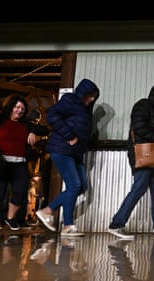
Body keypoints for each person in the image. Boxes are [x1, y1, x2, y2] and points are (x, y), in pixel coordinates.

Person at [108, 82, 154, 240]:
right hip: (142, 155)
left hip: (152, 157)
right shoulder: (143, 106)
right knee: (139, 187)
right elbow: (139, 127)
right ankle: (117, 224)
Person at [35, 78, 100, 237]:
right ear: (82, 93)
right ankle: (68, 225)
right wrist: (69, 135)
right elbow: (52, 116)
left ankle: (48, 210)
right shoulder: (70, 100)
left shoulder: (86, 110)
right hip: (62, 149)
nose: (91, 99)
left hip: (75, 153)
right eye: (89, 95)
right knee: (74, 185)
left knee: (82, 186)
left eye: (94, 97)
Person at [0, 94, 44, 237]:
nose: (20, 110)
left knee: (20, 192)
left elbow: (43, 129)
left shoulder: (26, 123)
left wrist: (32, 131)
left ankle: (10, 218)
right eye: (17, 107)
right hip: (0, 163)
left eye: (22, 108)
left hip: (19, 163)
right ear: (11, 107)